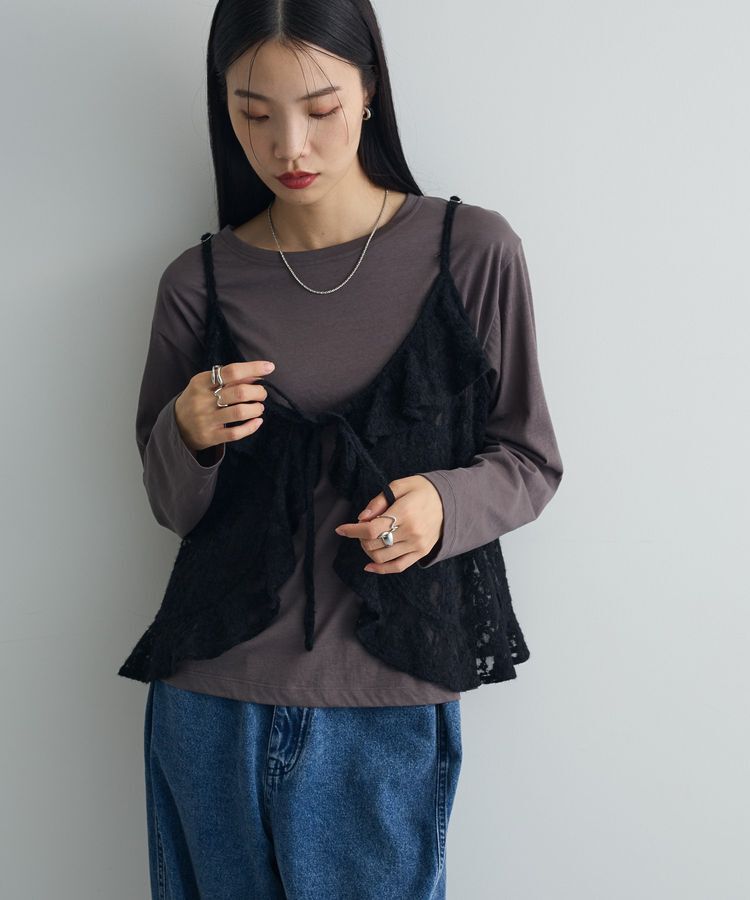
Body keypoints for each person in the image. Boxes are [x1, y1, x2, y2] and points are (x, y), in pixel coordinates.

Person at [131, 1, 564, 897]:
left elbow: (530, 458)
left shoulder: (470, 251)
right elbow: (172, 507)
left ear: (369, 92)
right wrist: (188, 434)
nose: (288, 146)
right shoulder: (197, 283)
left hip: (386, 708)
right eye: (254, 113)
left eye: (320, 108)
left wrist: (442, 507)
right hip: (209, 705)